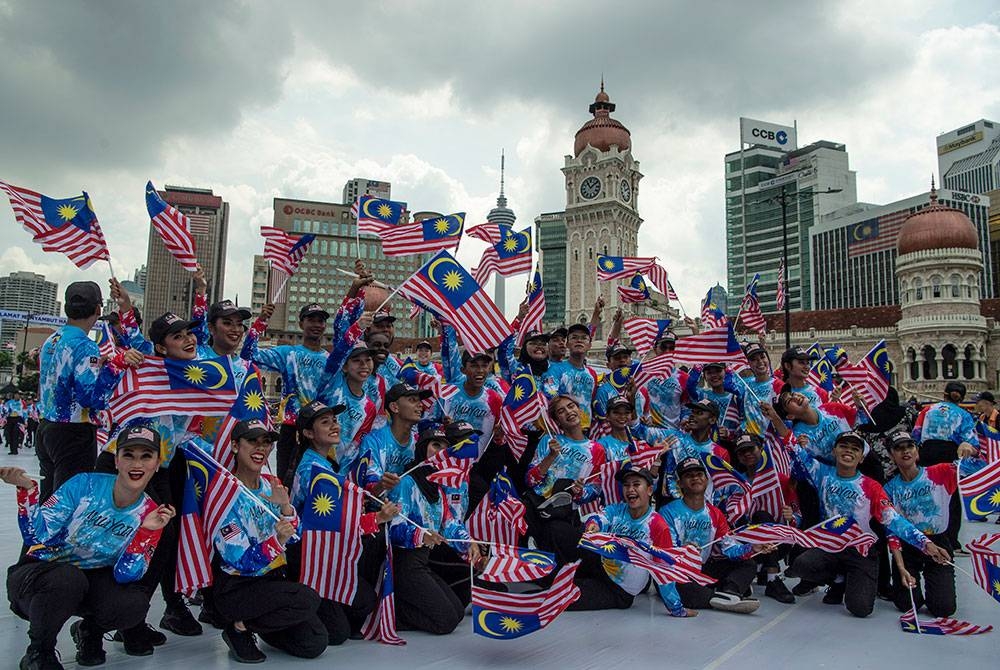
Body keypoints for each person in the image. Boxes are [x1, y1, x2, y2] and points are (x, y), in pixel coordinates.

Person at [4, 425, 173, 669]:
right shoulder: (85, 485)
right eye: (129, 455)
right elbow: (36, 535)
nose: (137, 464)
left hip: (89, 580)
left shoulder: (150, 513)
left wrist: (147, 532)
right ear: (116, 460)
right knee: (67, 579)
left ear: (157, 464)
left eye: (146, 456)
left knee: (132, 605)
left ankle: (89, 632)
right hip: (40, 574)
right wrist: (28, 493)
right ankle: (39, 651)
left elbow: (126, 574)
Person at [781, 430, 950, 617]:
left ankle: (857, 578)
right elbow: (794, 449)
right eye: (843, 446)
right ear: (834, 451)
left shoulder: (872, 487)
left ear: (861, 458)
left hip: (861, 550)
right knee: (801, 564)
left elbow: (893, 520)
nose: (848, 451)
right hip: (830, 545)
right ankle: (838, 580)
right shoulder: (821, 473)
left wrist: (925, 543)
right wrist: (774, 416)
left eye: (855, 448)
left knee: (860, 609)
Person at [212, 418, 328, 663]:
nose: (261, 449)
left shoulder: (270, 486)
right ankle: (238, 627)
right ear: (235, 446)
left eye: (266, 443)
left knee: (315, 642)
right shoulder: (225, 495)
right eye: (253, 442)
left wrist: (286, 506)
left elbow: (296, 536)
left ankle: (254, 625)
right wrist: (276, 540)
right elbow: (240, 560)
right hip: (239, 587)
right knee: (307, 599)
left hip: (273, 582)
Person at [287, 401, 396, 645]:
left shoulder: (324, 463)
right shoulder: (316, 471)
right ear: (308, 433)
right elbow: (335, 526)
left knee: (365, 602)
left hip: (326, 556)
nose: (335, 426)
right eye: (325, 422)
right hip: (310, 560)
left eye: (334, 420)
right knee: (337, 634)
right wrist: (378, 518)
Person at [36, 281, 143, 500]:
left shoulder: (52, 340)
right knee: (69, 501)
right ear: (98, 309)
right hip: (73, 432)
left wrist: (99, 365)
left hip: (46, 427)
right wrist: (115, 365)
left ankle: (41, 535)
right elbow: (91, 397)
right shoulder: (85, 346)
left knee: (48, 500)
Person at [388, 425, 482, 634]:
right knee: (446, 622)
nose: (441, 452)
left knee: (457, 611)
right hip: (404, 562)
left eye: (445, 448)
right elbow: (393, 529)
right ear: (422, 449)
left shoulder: (438, 488)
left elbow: (448, 524)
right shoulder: (406, 482)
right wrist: (421, 535)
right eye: (435, 445)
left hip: (423, 560)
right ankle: (388, 612)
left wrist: (469, 542)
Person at [658, 457, 774, 614]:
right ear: (680, 484)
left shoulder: (715, 513)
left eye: (699, 474)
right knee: (678, 585)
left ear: (706, 480)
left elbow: (729, 548)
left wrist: (752, 548)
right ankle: (722, 599)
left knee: (748, 564)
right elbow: (666, 552)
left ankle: (729, 592)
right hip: (678, 572)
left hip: (703, 569)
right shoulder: (667, 512)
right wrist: (685, 551)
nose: (695, 478)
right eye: (689, 475)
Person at [574, 467, 681, 613]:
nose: (630, 489)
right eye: (626, 485)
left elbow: (664, 570)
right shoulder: (617, 509)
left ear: (649, 490)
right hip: (601, 568)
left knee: (566, 597)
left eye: (636, 485)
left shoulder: (658, 525)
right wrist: (593, 524)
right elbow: (600, 517)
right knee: (570, 534)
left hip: (620, 590)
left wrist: (676, 608)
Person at [524, 395, 606, 565]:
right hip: (536, 504)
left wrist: (581, 492)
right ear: (557, 420)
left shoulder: (596, 449)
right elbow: (530, 480)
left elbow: (595, 489)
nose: (569, 412)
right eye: (561, 411)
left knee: (558, 533)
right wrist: (550, 457)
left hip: (564, 511)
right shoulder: (549, 441)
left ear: (579, 410)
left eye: (571, 406)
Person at [883, 429, 957, 618]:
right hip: (908, 547)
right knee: (907, 605)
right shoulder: (889, 489)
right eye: (899, 448)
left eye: (910, 446)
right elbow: (891, 531)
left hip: (939, 543)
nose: (905, 451)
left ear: (917, 451)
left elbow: (976, 467)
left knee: (944, 609)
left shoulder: (940, 472)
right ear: (892, 455)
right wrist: (900, 567)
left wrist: (968, 450)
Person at [730, 433, 798, 604]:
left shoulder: (780, 479)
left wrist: (792, 515)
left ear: (761, 449)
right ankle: (763, 572)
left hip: (779, 540)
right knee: (757, 518)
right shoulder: (736, 482)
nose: (747, 454)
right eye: (741, 452)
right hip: (748, 540)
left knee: (763, 517)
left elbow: (798, 513)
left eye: (751, 449)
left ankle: (772, 579)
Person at [912, 381, 978, 554]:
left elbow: (916, 433)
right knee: (951, 498)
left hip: (927, 453)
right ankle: (951, 542)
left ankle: (924, 537)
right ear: (961, 398)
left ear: (944, 394)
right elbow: (971, 441)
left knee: (926, 493)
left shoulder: (927, 411)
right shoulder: (964, 415)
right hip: (949, 454)